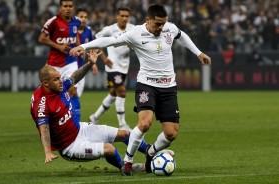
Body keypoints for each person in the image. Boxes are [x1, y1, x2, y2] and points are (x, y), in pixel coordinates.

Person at [69, 4, 212, 176]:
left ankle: (151, 153)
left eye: (163, 24)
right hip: (147, 85)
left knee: (171, 133)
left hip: (168, 87)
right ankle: (128, 161)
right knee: (144, 124)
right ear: (148, 20)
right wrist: (83, 47)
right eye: (157, 24)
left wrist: (199, 53)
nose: (161, 27)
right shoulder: (136, 33)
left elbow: (182, 36)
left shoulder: (170, 28)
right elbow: (109, 41)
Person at [30, 50, 148, 172]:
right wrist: (48, 151)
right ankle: (125, 168)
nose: (61, 81)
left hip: (81, 129)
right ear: (45, 83)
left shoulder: (60, 85)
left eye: (60, 77)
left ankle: (151, 152)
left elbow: (74, 77)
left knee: (125, 134)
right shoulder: (41, 103)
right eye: (56, 79)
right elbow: (44, 129)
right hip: (71, 147)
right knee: (109, 149)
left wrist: (90, 63)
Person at [89, 6, 134, 131]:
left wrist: (133, 46)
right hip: (112, 67)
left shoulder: (133, 29)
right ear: (117, 17)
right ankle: (122, 124)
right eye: (122, 16)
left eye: (126, 16)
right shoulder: (110, 29)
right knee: (122, 92)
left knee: (113, 94)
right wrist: (103, 58)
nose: (124, 18)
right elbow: (97, 40)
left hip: (124, 67)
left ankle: (95, 117)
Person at [38, 0, 82, 122]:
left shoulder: (77, 21)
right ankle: (48, 120)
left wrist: (79, 48)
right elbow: (41, 38)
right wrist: (59, 46)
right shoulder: (53, 21)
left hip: (71, 62)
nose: (68, 8)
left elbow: (75, 36)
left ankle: (76, 123)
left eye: (70, 6)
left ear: (73, 8)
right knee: (49, 94)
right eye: (65, 6)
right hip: (54, 64)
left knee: (72, 90)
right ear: (60, 8)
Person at [76, 8, 98, 97]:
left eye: (85, 17)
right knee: (70, 93)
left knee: (77, 95)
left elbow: (91, 46)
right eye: (81, 17)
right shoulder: (70, 30)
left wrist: (93, 64)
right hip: (69, 65)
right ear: (76, 18)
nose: (83, 19)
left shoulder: (88, 31)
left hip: (81, 67)